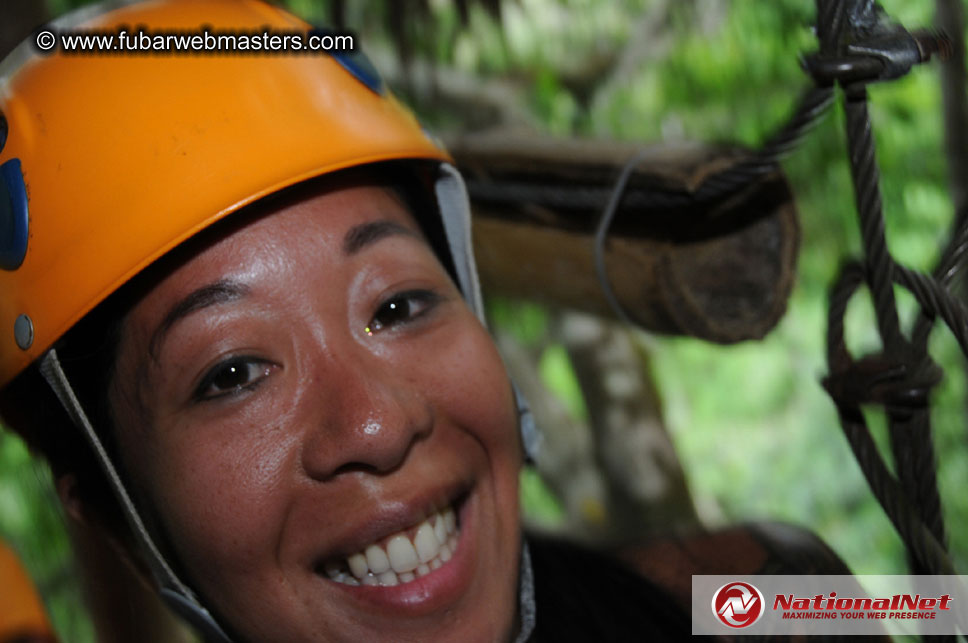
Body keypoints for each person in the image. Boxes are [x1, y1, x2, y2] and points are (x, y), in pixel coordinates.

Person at [1, 1, 856, 641]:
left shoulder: (768, 593)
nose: (376, 421)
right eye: (232, 372)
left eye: (397, 304)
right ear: (117, 516)